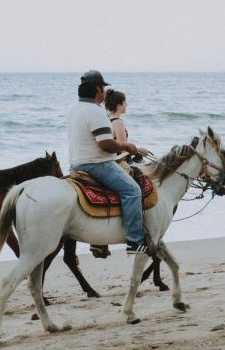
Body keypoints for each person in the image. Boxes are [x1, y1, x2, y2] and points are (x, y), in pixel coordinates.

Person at [67, 70, 154, 255]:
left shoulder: (74, 108)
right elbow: (106, 144)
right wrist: (128, 146)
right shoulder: (95, 111)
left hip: (76, 164)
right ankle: (134, 240)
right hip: (96, 164)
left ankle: (100, 240)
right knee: (132, 190)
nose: (105, 92)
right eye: (103, 88)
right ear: (98, 89)